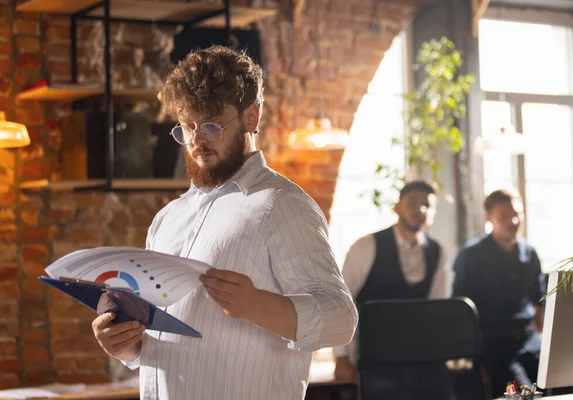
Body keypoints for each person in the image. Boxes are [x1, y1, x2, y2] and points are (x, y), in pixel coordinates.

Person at [90, 46, 358, 400]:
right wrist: (123, 343)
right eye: (188, 127)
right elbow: (158, 344)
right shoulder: (167, 219)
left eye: (212, 126)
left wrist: (255, 304)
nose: (197, 140)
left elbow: (341, 320)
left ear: (252, 118)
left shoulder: (283, 206)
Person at [333, 180, 451, 384]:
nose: (419, 209)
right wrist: (341, 356)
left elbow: (438, 307)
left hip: (421, 358)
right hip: (374, 357)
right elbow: (342, 301)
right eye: (412, 203)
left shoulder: (437, 251)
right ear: (397, 207)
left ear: (433, 213)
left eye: (427, 205)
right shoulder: (366, 246)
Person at [452, 189, 546, 398]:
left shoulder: (529, 253)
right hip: (494, 346)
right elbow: (460, 311)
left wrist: (542, 339)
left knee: (562, 384)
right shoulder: (472, 255)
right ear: (489, 218)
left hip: (529, 342)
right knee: (522, 395)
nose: (512, 221)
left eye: (516, 214)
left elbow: (540, 301)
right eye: (504, 216)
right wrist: (474, 357)